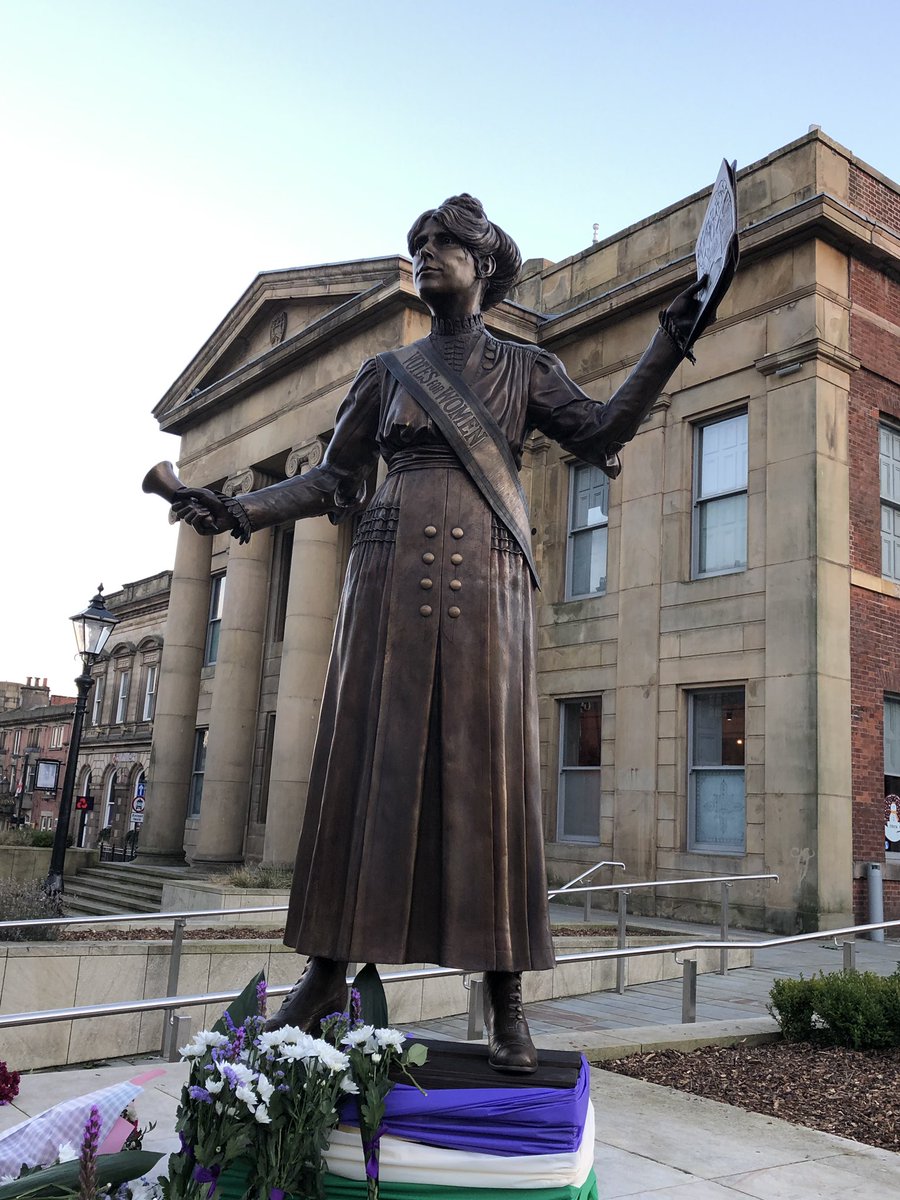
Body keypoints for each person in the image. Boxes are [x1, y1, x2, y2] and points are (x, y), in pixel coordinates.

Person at [171, 194, 712, 1072]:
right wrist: (235, 508)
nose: (428, 253)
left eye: (447, 242)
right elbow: (330, 482)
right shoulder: (385, 373)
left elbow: (604, 428)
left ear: (486, 263)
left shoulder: (525, 368)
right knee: (363, 767)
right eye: (419, 242)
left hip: (485, 581)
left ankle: (505, 1004)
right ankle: (323, 976)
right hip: (382, 577)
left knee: (488, 771)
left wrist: (672, 336)